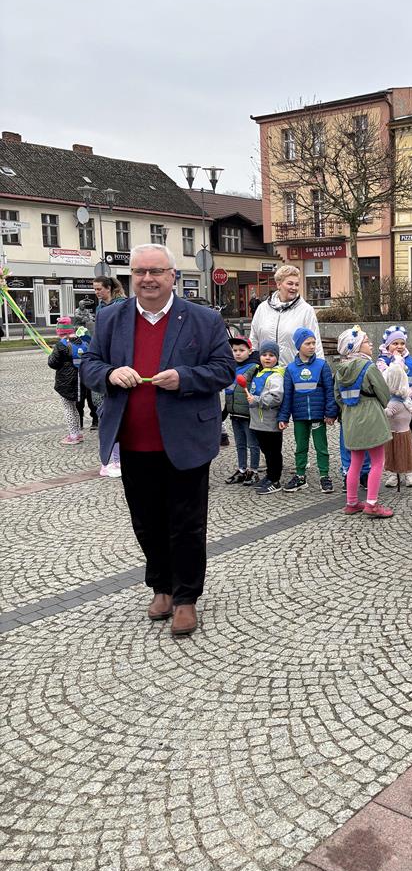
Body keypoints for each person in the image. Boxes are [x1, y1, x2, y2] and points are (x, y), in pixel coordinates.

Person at [81, 243, 235, 637]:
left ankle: (185, 597)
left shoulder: (203, 319)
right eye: (139, 272)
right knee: (147, 522)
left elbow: (223, 369)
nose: (147, 279)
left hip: (186, 440)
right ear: (130, 276)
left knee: (186, 524)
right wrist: (110, 374)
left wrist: (185, 377)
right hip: (134, 440)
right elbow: (90, 364)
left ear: (172, 276)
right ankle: (161, 587)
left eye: (155, 271)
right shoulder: (111, 317)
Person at [334, 326, 393, 518]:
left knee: (355, 462)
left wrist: (349, 410)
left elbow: (338, 397)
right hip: (371, 417)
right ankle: (372, 504)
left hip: (350, 419)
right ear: (356, 346)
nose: (371, 344)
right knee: (377, 461)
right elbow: (384, 394)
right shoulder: (369, 367)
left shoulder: (340, 369)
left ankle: (352, 502)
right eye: (366, 341)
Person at [278, 327, 337, 493]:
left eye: (313, 343)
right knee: (300, 447)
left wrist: (330, 412)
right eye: (307, 343)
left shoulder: (322, 365)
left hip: (318, 415)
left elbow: (329, 391)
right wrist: (283, 417)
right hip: (300, 416)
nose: (312, 346)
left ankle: (324, 476)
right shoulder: (290, 369)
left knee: (321, 447)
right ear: (298, 346)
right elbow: (287, 395)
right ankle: (300, 476)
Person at [377, 325, 412, 487]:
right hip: (391, 408)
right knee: (390, 441)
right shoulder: (382, 362)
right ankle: (394, 472)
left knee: (408, 440)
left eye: (402, 343)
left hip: (409, 409)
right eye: (395, 343)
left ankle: (409, 471)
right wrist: (397, 360)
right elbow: (387, 379)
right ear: (387, 345)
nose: (399, 347)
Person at [249, 264, 324, 367]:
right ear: (278, 284)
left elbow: (316, 343)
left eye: (297, 284)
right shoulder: (262, 308)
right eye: (290, 283)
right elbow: (253, 340)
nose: (294, 288)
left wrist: (320, 369)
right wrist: (252, 366)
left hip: (294, 371)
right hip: (265, 372)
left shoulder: (306, 310)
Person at [91, 276, 128, 475]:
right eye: (95, 289)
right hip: (104, 363)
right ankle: (113, 456)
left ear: (109, 288)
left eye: (99, 289)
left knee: (114, 411)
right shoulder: (100, 308)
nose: (96, 292)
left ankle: (118, 459)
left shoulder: (121, 305)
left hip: (118, 362)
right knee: (103, 408)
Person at [246, 340, 286, 494]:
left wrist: (256, 400)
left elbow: (276, 398)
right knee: (266, 451)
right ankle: (269, 475)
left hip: (270, 422)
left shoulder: (276, 376)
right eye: (264, 355)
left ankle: (275, 480)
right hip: (259, 422)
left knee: (273, 452)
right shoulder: (258, 372)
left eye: (271, 355)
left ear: (277, 358)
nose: (267, 358)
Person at [223, 335, 261, 485]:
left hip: (248, 414)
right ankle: (242, 470)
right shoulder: (231, 367)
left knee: (253, 444)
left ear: (250, 351)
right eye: (235, 350)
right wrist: (225, 411)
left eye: (241, 350)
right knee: (239, 444)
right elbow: (229, 390)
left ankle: (254, 471)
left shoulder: (254, 368)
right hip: (234, 413)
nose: (237, 353)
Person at [48, 317, 91, 445]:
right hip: (80, 379)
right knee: (74, 407)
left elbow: (52, 363)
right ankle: (77, 433)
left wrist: (51, 355)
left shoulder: (61, 345)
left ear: (61, 332)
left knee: (68, 408)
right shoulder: (82, 343)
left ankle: (73, 436)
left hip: (66, 381)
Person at [382, 360, 412, 485]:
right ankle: (405, 474)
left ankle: (399, 474)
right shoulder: (405, 399)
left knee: (396, 454)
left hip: (396, 433)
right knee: (406, 453)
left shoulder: (394, 402)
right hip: (403, 432)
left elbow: (388, 413)